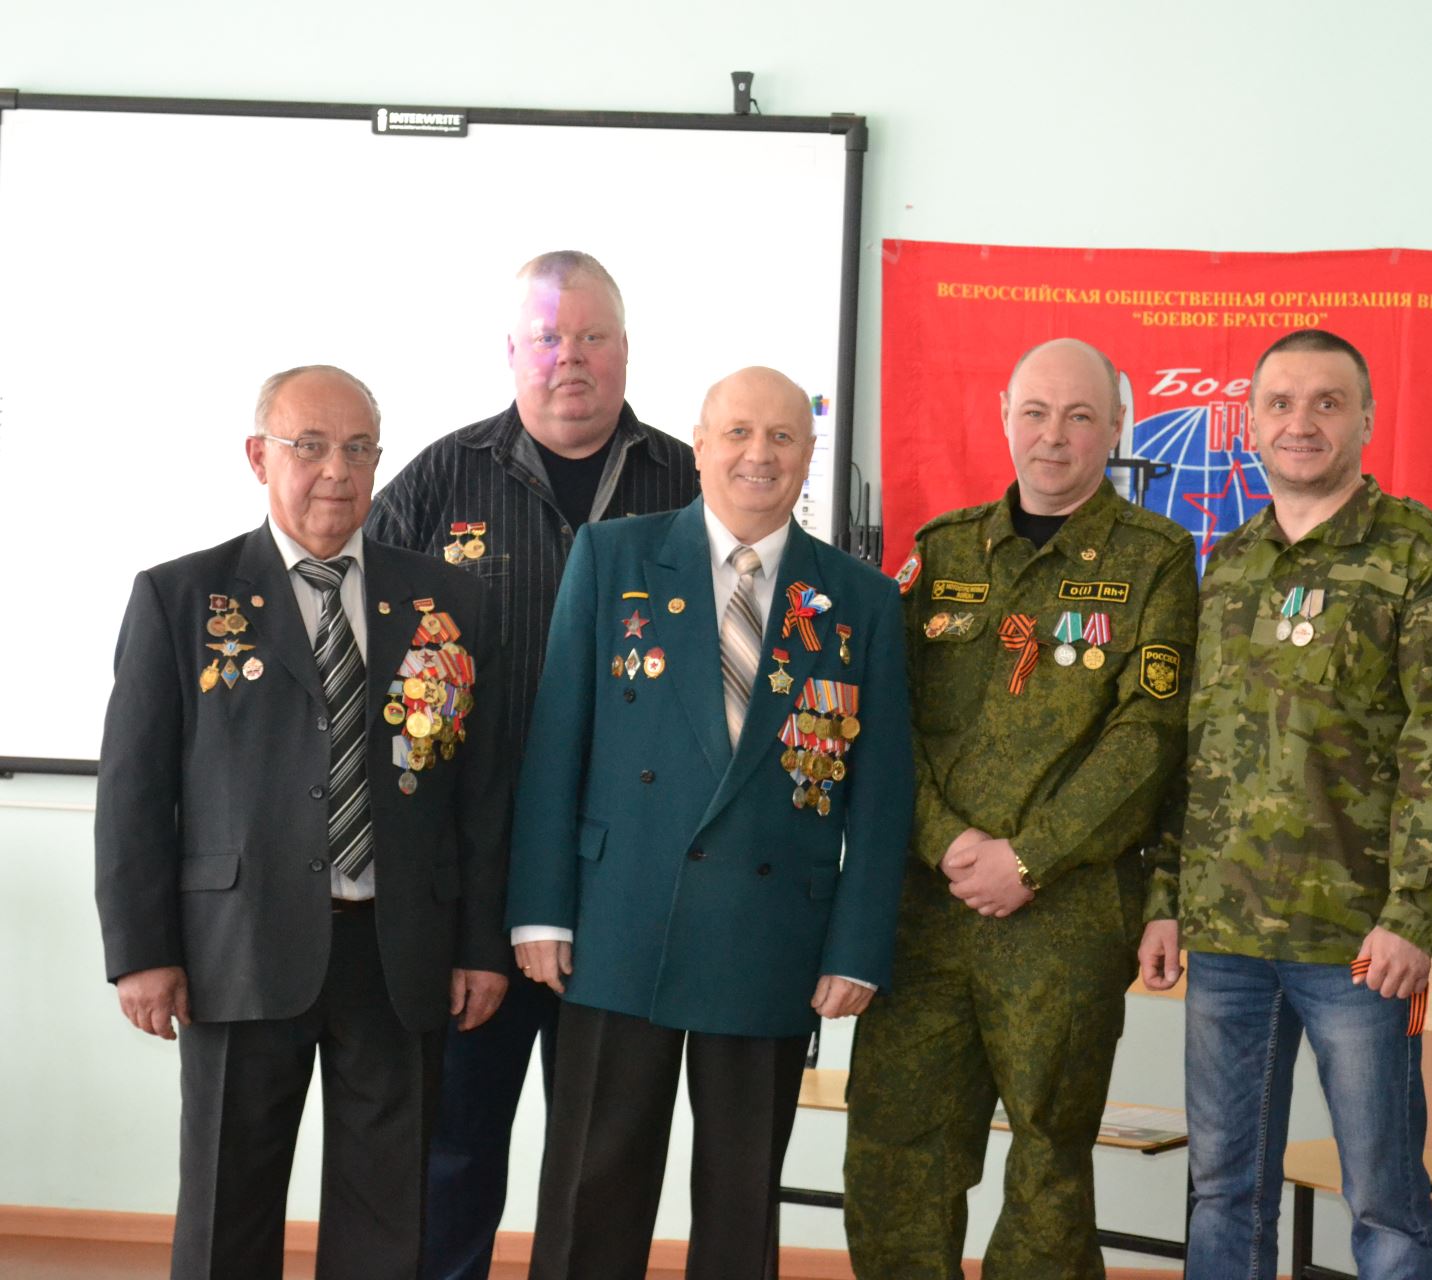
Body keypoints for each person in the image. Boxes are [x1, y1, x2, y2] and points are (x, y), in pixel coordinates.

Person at [94, 365, 510, 1280]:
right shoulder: (182, 597)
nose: (337, 470)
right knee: (226, 1205)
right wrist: (140, 950)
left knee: (387, 1207)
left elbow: (477, 794)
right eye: (310, 446)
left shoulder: (447, 600)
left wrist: (481, 943)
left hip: (396, 951)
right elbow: (133, 790)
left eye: (359, 449)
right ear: (259, 457)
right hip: (234, 950)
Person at [505, 365, 909, 1277]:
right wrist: (540, 909)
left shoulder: (861, 601)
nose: (757, 455)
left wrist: (857, 947)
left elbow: (882, 798)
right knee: (590, 1193)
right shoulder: (614, 557)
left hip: (772, 934)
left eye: (780, 437)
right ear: (698, 446)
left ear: (810, 456)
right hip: (621, 920)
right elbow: (556, 740)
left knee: (739, 1205)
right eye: (736, 433)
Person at [363, 249, 697, 1279]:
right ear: (512, 351)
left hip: (626, 885)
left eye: (592, 336)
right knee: (453, 1149)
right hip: (472, 886)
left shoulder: (688, 483)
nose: (570, 359)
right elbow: (366, 676)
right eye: (548, 337)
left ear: (626, 351)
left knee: (602, 1156)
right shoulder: (438, 479)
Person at [843, 337, 1197, 1278]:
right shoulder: (942, 551)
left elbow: (1147, 739)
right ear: (1004, 413)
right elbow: (889, 722)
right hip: (928, 911)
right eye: (1036, 412)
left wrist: (1029, 857)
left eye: (1081, 416)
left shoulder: (1157, 561)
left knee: (1048, 1168)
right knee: (895, 1157)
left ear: (1115, 427)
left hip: (1066, 918)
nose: (1055, 437)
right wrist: (948, 840)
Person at [1138, 329, 1432, 1278]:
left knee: (1383, 1202)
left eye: (1327, 402)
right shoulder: (1228, 565)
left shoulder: (1425, 556)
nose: (1303, 423)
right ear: (1250, 424)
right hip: (1227, 938)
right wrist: (1167, 896)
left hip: (1361, 947)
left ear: (1367, 418)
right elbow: (1193, 750)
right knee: (1221, 1194)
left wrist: (1418, 917)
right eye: (1282, 404)